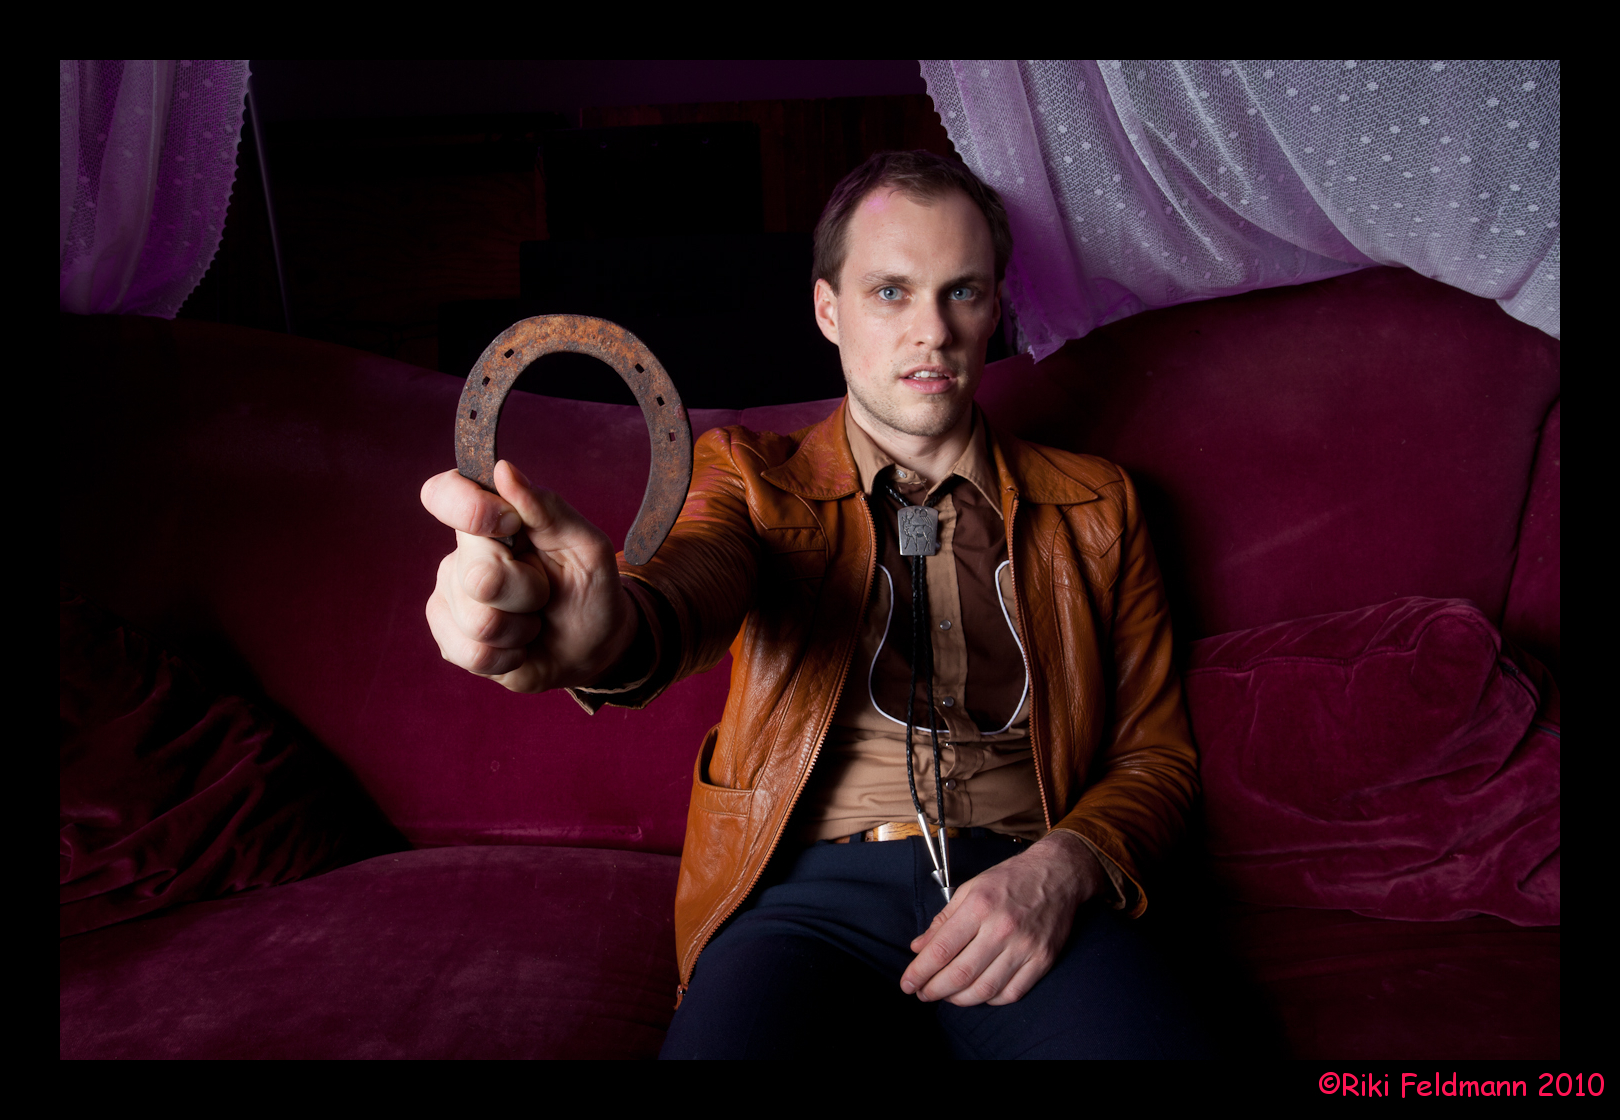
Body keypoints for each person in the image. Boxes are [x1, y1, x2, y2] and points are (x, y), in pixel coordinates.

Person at [421, 151, 1207, 1058]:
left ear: (994, 307)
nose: (933, 331)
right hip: (804, 899)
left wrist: (1061, 870)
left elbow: (1155, 758)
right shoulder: (750, 480)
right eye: (890, 292)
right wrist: (608, 637)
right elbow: (687, 589)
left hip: (1023, 882)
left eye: (961, 292)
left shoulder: (1099, 507)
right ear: (828, 309)